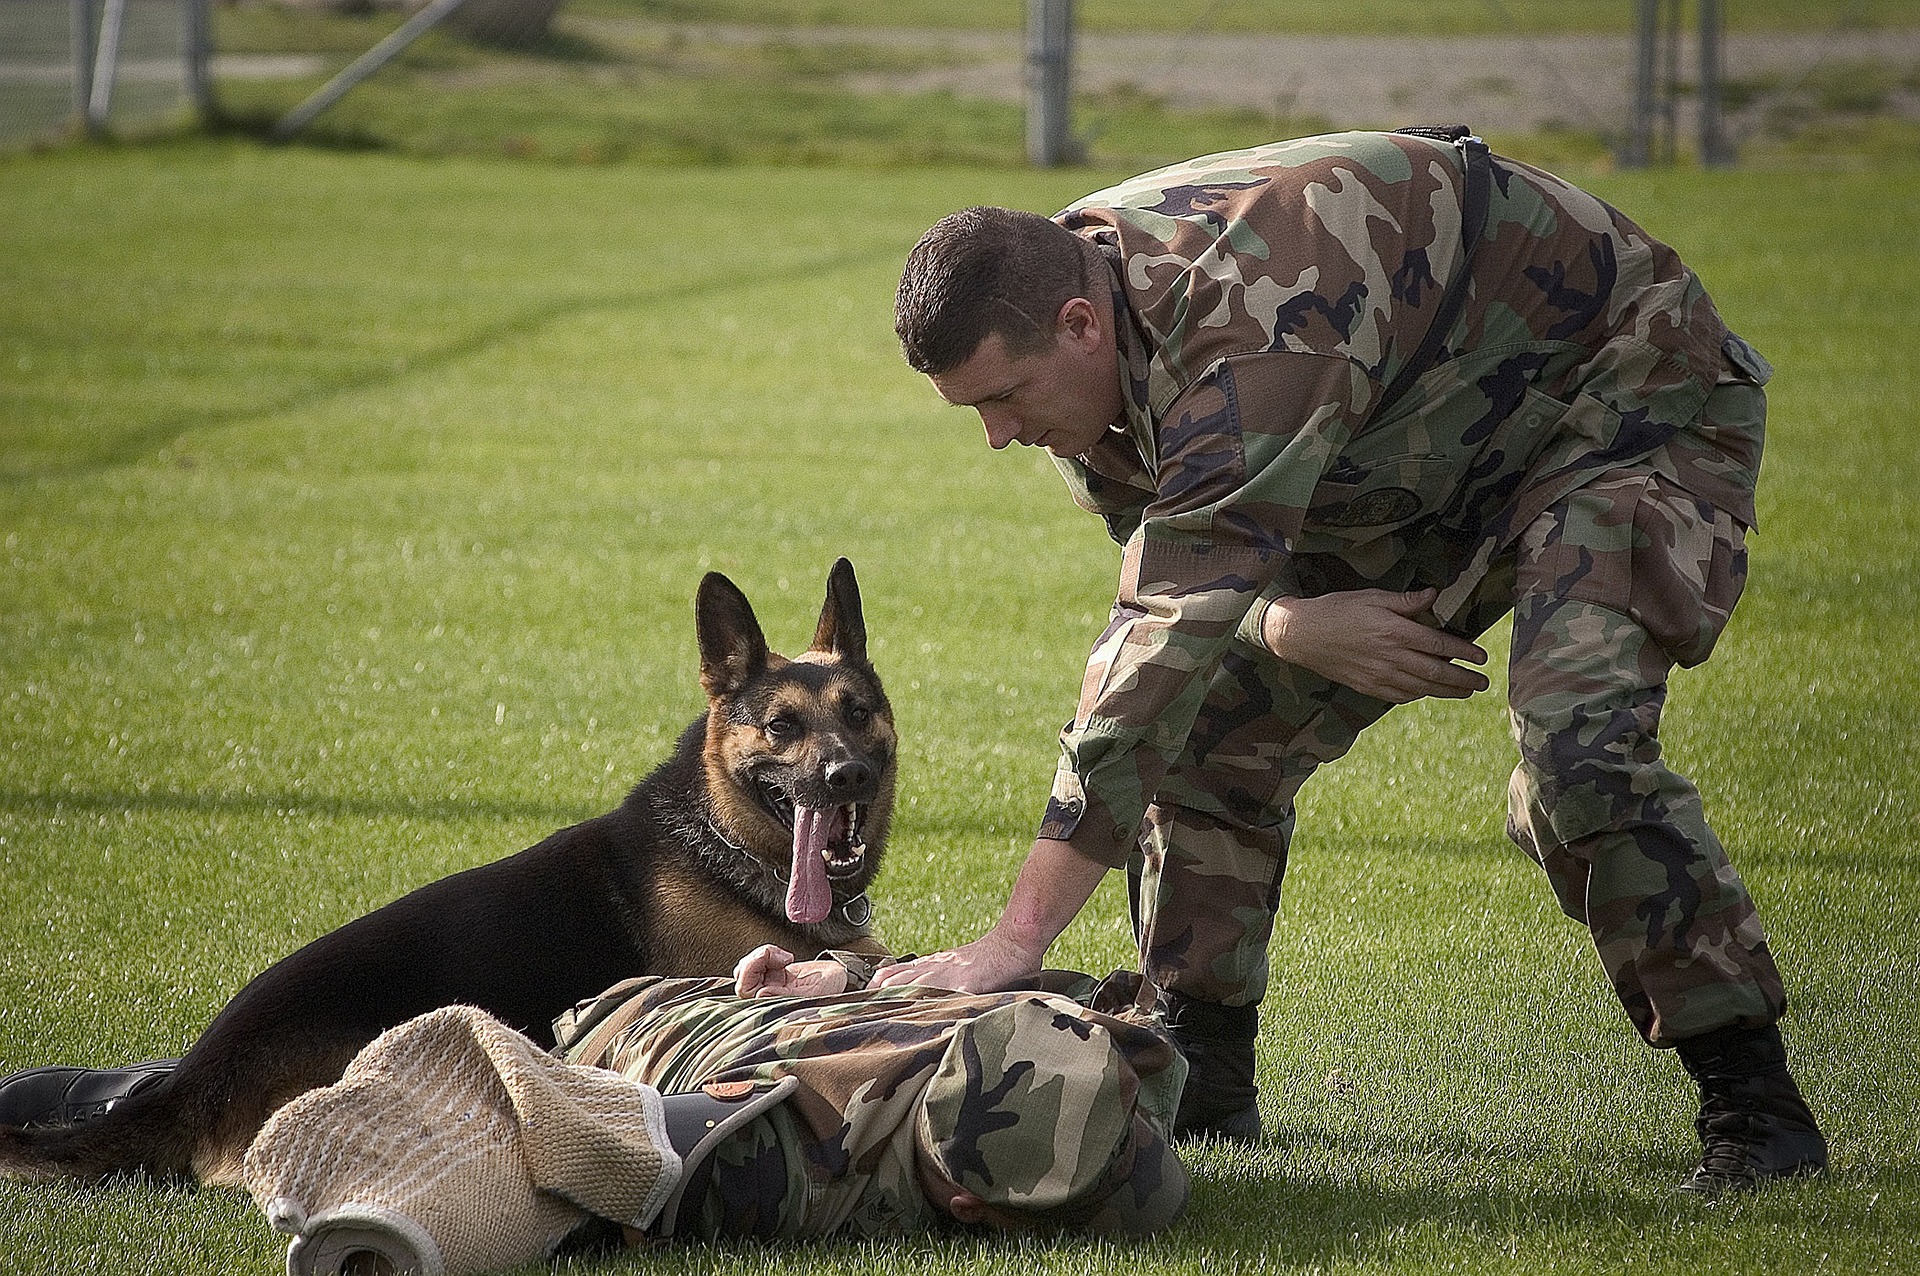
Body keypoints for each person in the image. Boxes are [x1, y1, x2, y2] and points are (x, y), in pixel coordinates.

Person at [879, 127, 1825, 1191]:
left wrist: (1015, 939)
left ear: (1081, 323)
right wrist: (1285, 622)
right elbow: (1182, 568)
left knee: (1579, 756)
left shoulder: (1248, 314)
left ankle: (1757, 1111)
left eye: (1002, 400)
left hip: (1624, 409)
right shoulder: (1080, 352)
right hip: (1411, 453)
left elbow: (1155, 640)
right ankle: (1202, 1078)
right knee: (1209, 741)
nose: (999, 437)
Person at [239, 959, 1189, 1275]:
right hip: (727, 994)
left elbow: (582, 1160)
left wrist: (399, 1231)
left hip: (627, 1026)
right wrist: (849, 978)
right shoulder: (1100, 1080)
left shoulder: (780, 1172)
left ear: (973, 1211)